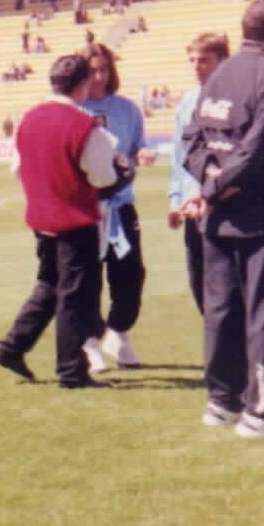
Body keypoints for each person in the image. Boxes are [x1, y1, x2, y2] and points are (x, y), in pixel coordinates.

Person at [183, 0, 264, 438]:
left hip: (219, 218)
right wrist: (219, 184)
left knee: (222, 311)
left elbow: (191, 139)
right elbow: (261, 149)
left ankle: (222, 401)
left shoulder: (221, 73)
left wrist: (210, 178)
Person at [0, 54, 118, 389]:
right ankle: (71, 370)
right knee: (74, 295)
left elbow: (16, 168)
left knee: (49, 286)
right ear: (82, 84)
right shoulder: (83, 124)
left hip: (42, 218)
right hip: (75, 220)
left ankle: (11, 347)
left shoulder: (29, 119)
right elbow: (102, 177)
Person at [80, 44, 147, 371]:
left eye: (104, 69)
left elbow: (136, 148)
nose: (98, 77)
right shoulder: (75, 110)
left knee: (131, 274)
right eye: (92, 70)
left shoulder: (127, 109)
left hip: (121, 207)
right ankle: (90, 342)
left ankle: (119, 332)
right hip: (85, 211)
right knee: (88, 279)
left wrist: (143, 154)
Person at [168, 32, 230, 315]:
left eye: (203, 60)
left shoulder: (233, 98)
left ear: (222, 61)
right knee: (198, 277)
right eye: (192, 60)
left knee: (226, 281)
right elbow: (179, 156)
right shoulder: (188, 101)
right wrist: (175, 198)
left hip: (222, 200)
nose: (196, 66)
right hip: (191, 205)